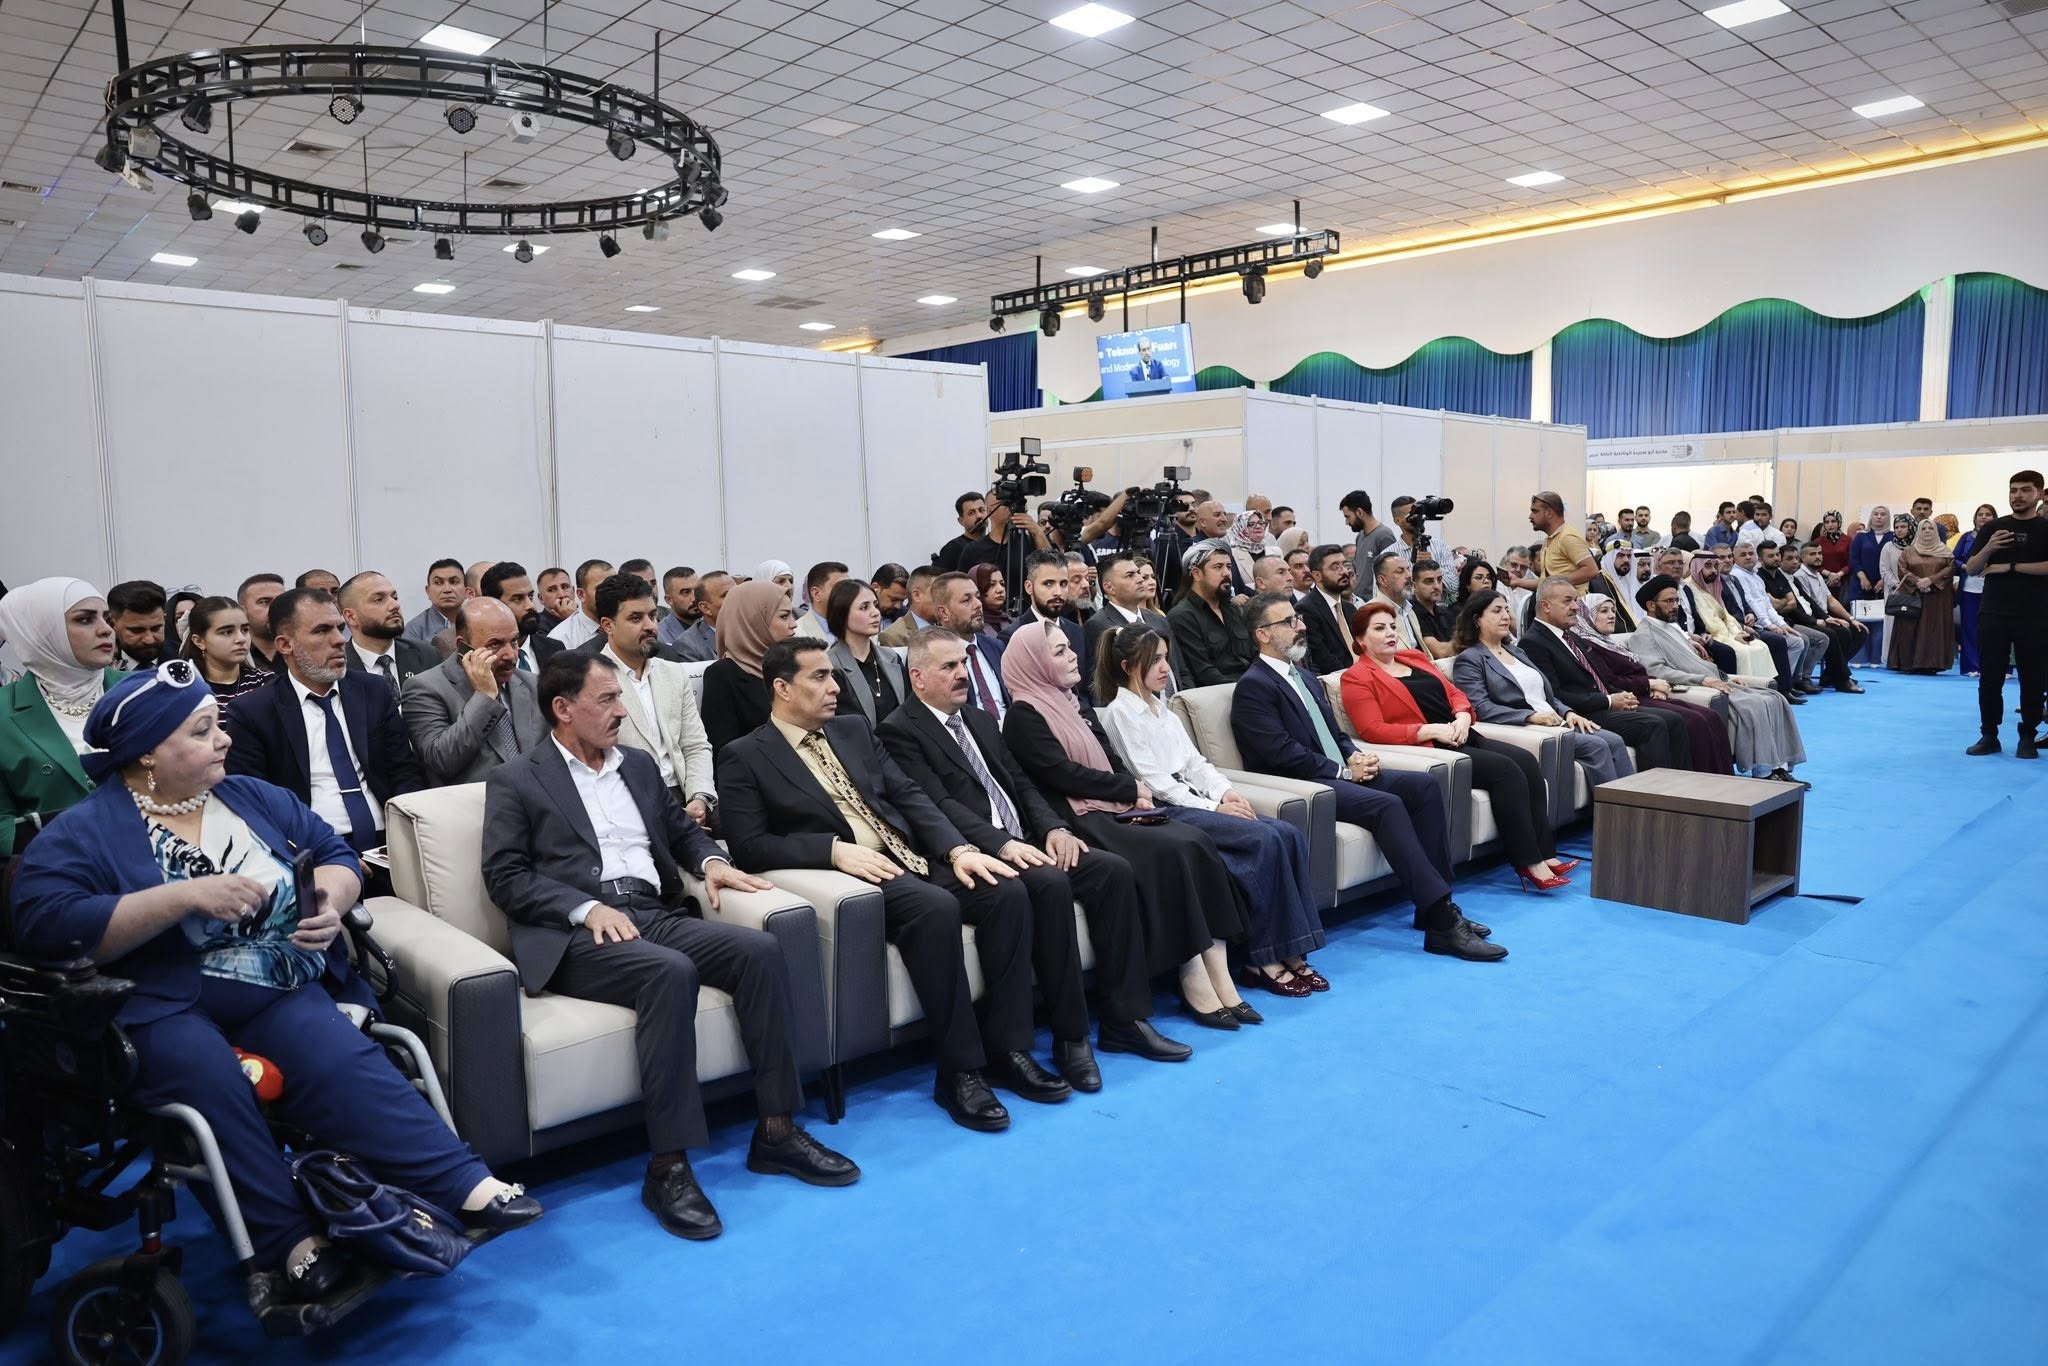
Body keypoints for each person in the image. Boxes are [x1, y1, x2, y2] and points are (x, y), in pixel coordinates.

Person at [11, 669, 541, 1295]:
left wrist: (329, 902)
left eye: (217, 725)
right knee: (210, 1077)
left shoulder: (253, 797)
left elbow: (335, 856)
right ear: (147, 752)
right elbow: (44, 925)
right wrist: (179, 898)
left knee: (336, 1052)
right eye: (201, 731)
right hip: (160, 1003)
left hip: (273, 982)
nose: (223, 739)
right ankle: (287, 1240)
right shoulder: (85, 830)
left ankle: (461, 1182)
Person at [482, 652, 853, 1239]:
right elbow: (504, 876)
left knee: (758, 951)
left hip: (653, 912)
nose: (621, 711)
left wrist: (712, 862)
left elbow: (680, 832)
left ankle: (777, 1132)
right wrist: (584, 907)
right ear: (562, 709)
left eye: (620, 697)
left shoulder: (636, 764)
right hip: (577, 932)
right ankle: (668, 1167)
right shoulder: (518, 778)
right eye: (607, 699)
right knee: (669, 972)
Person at [718, 639, 1059, 1128]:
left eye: (833, 676)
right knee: (935, 908)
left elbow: (908, 793)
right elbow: (749, 844)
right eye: (819, 677)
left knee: (1005, 891)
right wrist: (830, 850)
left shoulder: (853, 729)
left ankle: (1009, 1049)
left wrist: (958, 849)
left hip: (911, 855)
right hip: (852, 874)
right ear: (782, 688)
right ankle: (960, 1071)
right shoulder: (745, 755)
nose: (834, 688)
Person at [884, 628, 1190, 1066]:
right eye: (948, 666)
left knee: (1111, 871)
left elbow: (1022, 784)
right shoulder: (899, 732)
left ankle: (1126, 1021)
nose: (962, 673)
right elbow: (939, 805)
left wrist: (1053, 828)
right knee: (1050, 883)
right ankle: (1070, 1037)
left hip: (1026, 838)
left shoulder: (980, 719)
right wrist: (1003, 844)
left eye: (964, 663)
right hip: (975, 851)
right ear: (917, 676)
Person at [1231, 591, 1503, 962]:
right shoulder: (1254, 686)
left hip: (1337, 771)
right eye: (1289, 622)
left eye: (1298, 618)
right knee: (1386, 805)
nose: (1301, 626)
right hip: (1304, 784)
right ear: (1262, 634)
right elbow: (1279, 752)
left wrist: (1355, 755)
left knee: (1424, 785)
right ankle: (1442, 921)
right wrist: (1342, 770)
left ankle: (1434, 907)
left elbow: (1336, 735)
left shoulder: (1305, 677)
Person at [1074, 620, 1326, 999]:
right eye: (1154, 661)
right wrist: (1213, 807)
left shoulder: (1163, 709)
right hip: (1166, 810)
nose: (1165, 668)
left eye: (1165, 658)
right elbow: (1156, 782)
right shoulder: (1119, 714)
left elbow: (1196, 763)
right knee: (1263, 840)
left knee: (1287, 833)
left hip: (1194, 799)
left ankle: (1291, 949)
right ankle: (1264, 958)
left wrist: (1226, 793)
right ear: (1127, 667)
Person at [1340, 601, 1570, 891]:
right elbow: (1371, 729)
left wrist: (1462, 716)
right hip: (1434, 747)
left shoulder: (1414, 658)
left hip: (1461, 732)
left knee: (1526, 760)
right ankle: (1529, 863)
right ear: (1361, 639)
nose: (1390, 633)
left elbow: (1455, 694)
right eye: (1379, 628)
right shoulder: (1356, 677)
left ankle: (1546, 854)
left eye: (1392, 626)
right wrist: (1428, 730)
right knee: (1507, 771)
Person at [222, 589, 424, 863]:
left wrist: (407, 839)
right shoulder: (253, 711)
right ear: (285, 645)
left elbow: (404, 772)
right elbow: (255, 803)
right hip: (314, 848)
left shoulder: (373, 692)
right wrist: (323, 855)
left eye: (339, 628)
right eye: (322, 630)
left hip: (387, 842)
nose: (339, 640)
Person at [1449, 590, 1634, 788]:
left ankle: (1632, 802)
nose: (1505, 616)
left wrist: (1568, 712)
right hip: (1525, 726)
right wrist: (1530, 716)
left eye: (1506, 610)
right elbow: (1480, 707)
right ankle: (1608, 807)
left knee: (1614, 740)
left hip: (1555, 720)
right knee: (1596, 745)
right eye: (1496, 611)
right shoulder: (1470, 659)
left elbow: (1543, 694)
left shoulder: (1516, 651)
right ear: (1477, 619)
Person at [1629, 576, 1805, 779]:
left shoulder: (1671, 628)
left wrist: (1726, 677)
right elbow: (1657, 671)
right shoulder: (1643, 635)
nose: (1675, 606)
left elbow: (1697, 664)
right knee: (1754, 705)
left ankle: (1779, 767)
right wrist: (1703, 680)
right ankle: (1764, 772)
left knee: (1775, 698)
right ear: (1651, 605)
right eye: (1669, 601)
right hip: (1699, 687)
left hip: (1714, 682)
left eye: (1676, 600)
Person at [0, 578, 123, 856]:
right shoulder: (3, 711)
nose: (106, 630)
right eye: (85, 620)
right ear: (42, 632)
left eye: (106, 618)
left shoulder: (143, 690)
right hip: (53, 868)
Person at [1522, 576, 1691, 771]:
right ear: (1545, 606)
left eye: (1575, 600)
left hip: (1604, 705)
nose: (1576, 607)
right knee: (1653, 725)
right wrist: (1609, 701)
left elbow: (1599, 677)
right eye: (1568, 601)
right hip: (1583, 713)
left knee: (1675, 719)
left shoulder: (1571, 635)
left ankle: (1681, 784)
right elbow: (1555, 694)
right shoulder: (1533, 642)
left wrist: (1622, 695)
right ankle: (1653, 788)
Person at [1572, 594, 1734, 774]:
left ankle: (1721, 778)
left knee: (1710, 716)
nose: (1611, 616)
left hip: (1643, 693)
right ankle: (1694, 782)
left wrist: (1655, 685)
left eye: (1613, 611)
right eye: (1604, 611)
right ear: (1586, 615)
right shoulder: (1589, 646)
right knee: (1691, 721)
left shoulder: (1608, 642)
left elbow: (1638, 670)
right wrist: (1649, 684)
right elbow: (1611, 681)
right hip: (1630, 697)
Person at [399, 597, 548, 786]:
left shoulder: (533, 684)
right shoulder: (424, 688)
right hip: (475, 801)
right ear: (463, 646)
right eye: (495, 644)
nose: (510, 655)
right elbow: (442, 761)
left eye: (514, 642)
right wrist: (485, 697)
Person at [1963, 470, 2048, 758]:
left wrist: (2010, 567)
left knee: (2033, 676)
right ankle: (1989, 734)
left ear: (2039, 493)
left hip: (2034, 612)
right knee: (1990, 676)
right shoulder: (1994, 528)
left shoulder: (2045, 528)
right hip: (1994, 611)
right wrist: (1989, 548)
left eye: (2025, 490)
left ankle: (2028, 735)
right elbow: (1972, 568)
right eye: (2013, 490)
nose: (2018, 496)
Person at [697, 579, 798, 762]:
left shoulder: (793, 665)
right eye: (784, 617)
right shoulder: (723, 675)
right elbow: (725, 750)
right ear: (754, 621)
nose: (794, 624)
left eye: (792, 615)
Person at [1689, 549, 1796, 695]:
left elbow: (1727, 616)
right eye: (1708, 566)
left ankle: (1767, 692)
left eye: (1715, 566)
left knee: (1760, 647)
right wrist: (1735, 635)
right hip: (1716, 634)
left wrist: (1738, 632)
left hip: (1730, 631)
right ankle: (1746, 693)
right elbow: (1711, 623)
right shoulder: (1691, 588)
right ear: (1697, 567)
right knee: (1744, 651)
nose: (1713, 571)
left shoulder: (1712, 586)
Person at [1725, 541, 1828, 693]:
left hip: (1765, 621)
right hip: (1754, 624)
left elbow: (1768, 606)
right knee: (1792, 642)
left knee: (1800, 639)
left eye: (1750, 554)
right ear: (1735, 558)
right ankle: (1782, 686)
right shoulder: (1738, 575)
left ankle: (1790, 683)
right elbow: (1752, 604)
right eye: (1743, 554)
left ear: (1756, 557)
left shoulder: (1755, 577)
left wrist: (1781, 624)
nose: (1748, 557)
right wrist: (1770, 625)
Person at [1083, 550, 1183, 685]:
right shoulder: (1098, 625)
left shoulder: (1159, 619)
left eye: (1138, 573)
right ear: (1109, 587)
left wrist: (1185, 696)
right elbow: (1105, 681)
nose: (1140, 579)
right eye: (1130, 575)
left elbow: (1181, 670)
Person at [1780, 542, 1868, 693]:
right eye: (1813, 554)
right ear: (1803, 558)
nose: (1818, 557)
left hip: (1819, 616)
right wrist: (1821, 620)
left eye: (1819, 553)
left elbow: (1829, 601)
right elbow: (1803, 608)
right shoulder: (1800, 575)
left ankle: (1831, 674)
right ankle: (1841, 678)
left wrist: (1851, 618)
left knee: (1858, 630)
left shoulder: (1817, 575)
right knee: (1838, 633)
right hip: (1805, 619)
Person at [1166, 544, 1255, 685]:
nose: (1226, 573)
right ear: (1196, 574)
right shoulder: (1182, 616)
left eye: (1229, 567)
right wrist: (1250, 687)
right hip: (1219, 691)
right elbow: (1204, 672)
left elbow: (1255, 654)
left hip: (1253, 684)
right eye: (1218, 567)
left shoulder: (1234, 609)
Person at [337, 572, 440, 690]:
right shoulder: (338, 666)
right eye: (379, 600)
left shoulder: (427, 655)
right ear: (351, 617)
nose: (395, 605)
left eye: (394, 597)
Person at [826, 578, 906, 728]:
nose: (875, 613)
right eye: (864, 607)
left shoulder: (891, 657)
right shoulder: (831, 667)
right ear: (842, 614)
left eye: (875, 605)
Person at [1886, 517, 1957, 674]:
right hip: (1913, 595)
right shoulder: (1909, 551)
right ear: (1918, 531)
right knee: (1910, 629)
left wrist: (1931, 580)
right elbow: (1902, 569)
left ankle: (1931, 664)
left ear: (1936, 531)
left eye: (1930, 528)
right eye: (1923, 528)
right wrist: (1918, 582)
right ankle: (1909, 664)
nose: (1927, 531)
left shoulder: (1945, 552)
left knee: (1933, 629)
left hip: (1937, 597)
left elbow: (1950, 569)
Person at [182, 596, 271, 717]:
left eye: (245, 630)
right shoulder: (185, 692)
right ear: (199, 641)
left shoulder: (266, 682)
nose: (241, 639)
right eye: (227, 632)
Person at [478, 560, 566, 673]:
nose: (530, 605)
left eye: (530, 596)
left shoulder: (554, 648)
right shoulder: (484, 656)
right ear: (494, 604)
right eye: (517, 599)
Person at [1515, 491, 1599, 597]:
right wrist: (1517, 582)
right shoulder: (1549, 540)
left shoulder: (1567, 537)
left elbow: (1592, 571)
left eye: (1535, 511)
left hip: (1571, 605)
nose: (1530, 516)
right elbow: (1545, 584)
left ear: (1549, 513)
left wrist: (1556, 583)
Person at [1954, 503, 1999, 676]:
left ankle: (1996, 667)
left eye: (1988, 514)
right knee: (1970, 629)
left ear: (1994, 518)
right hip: (1970, 590)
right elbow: (1953, 559)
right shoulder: (1966, 537)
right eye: (1980, 514)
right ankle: (1971, 666)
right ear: (1975, 518)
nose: (1984, 517)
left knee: (1995, 630)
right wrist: (1965, 566)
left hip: (1994, 590)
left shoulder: (2000, 537)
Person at [548, 559, 613, 650]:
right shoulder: (560, 638)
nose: (611, 593)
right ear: (581, 594)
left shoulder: (627, 624)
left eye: (614, 586)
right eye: (602, 588)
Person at [107, 580, 173, 670]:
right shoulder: (97, 669)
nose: (149, 640)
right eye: (137, 631)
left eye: (156, 629)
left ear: (164, 618)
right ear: (112, 625)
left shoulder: (185, 661)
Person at [404, 559, 467, 645]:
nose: (447, 589)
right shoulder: (415, 629)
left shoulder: (477, 620)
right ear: (428, 591)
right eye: (438, 583)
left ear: (466, 590)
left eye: (453, 582)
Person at [878, 565, 941, 648]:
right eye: (939, 594)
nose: (945, 600)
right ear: (917, 595)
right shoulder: (894, 636)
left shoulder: (950, 627)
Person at [659, 567, 715, 660]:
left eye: (697, 591)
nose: (694, 598)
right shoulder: (660, 637)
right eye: (686, 592)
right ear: (669, 600)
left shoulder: (712, 624)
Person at [237, 573, 286, 672]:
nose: (276, 608)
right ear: (242, 611)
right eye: (264, 602)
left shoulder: (303, 651)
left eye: (281, 601)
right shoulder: (234, 657)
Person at [1341, 489, 1398, 569]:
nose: (1347, 522)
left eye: (1348, 517)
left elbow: (1392, 570)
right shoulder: (1360, 536)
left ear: (1359, 512)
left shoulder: (1384, 536)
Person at [935, 491, 989, 572]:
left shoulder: (995, 543)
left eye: (981, 510)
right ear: (961, 521)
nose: (979, 516)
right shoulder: (953, 548)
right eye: (971, 513)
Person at [1848, 507, 1893, 603]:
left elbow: (1895, 562)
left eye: (1883, 514)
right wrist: (1863, 578)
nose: (1879, 517)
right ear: (1871, 517)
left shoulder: (1893, 537)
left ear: (1888, 517)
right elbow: (1854, 560)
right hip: (1861, 584)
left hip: (1885, 586)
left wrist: (1884, 580)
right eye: (1876, 514)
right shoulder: (1861, 536)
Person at [793, 562, 848, 641]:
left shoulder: (858, 626)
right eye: (840, 587)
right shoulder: (796, 634)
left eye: (849, 587)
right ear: (816, 594)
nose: (848, 592)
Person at [1590, 548, 1641, 631]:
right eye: (1620, 555)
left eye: (1629, 556)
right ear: (1610, 558)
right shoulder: (1598, 583)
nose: (1626, 560)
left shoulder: (1631, 581)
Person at [968, 563, 1011, 637]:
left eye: (1002, 584)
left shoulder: (1010, 622)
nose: (1000, 590)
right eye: (992, 584)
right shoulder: (968, 628)